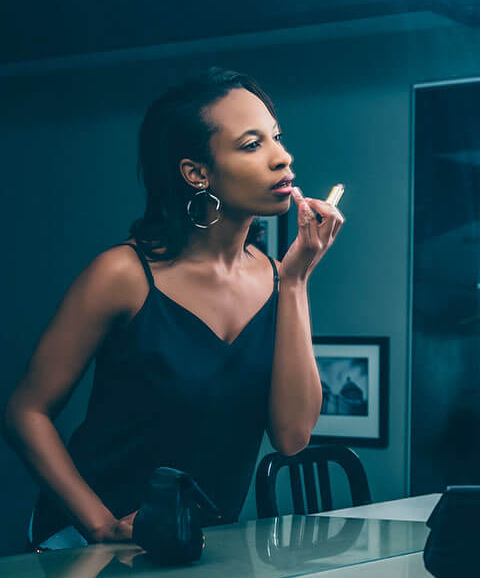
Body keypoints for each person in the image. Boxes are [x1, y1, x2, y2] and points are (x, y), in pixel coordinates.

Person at [4, 68, 344, 549]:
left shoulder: (277, 278)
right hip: (85, 545)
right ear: (196, 173)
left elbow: (291, 437)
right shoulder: (121, 275)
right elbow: (25, 412)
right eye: (251, 144)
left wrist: (295, 281)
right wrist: (100, 526)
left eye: (276, 137)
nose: (281, 156)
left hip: (200, 547)